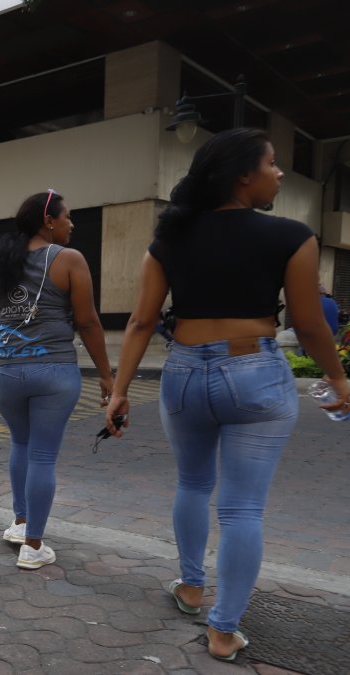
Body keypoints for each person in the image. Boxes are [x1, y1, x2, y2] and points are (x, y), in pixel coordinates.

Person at [104, 128, 350, 663]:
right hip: (254, 370)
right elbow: (309, 325)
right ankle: (223, 629)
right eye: (273, 164)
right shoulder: (291, 236)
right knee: (242, 509)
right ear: (244, 174)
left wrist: (119, 392)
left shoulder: (169, 239)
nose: (280, 174)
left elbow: (142, 320)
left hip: (184, 371)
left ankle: (190, 587)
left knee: (193, 485)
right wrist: (339, 378)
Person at [0, 189, 113, 570]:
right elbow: (87, 322)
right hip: (53, 372)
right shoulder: (68, 260)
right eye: (67, 217)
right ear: (48, 220)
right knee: (43, 456)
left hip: (4, 372)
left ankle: (20, 524)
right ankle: (34, 546)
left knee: (20, 443)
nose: (72, 224)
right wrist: (106, 375)